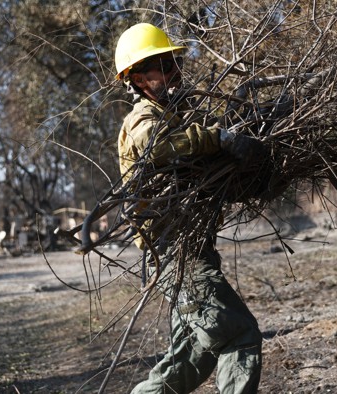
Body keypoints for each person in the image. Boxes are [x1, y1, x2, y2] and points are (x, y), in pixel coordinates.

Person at [114, 23, 265, 393]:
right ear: (135, 78)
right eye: (162, 66)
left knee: (191, 357)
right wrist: (219, 137)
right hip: (172, 254)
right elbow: (159, 147)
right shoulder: (142, 121)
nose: (174, 73)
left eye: (173, 63)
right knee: (238, 334)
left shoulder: (174, 116)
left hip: (191, 249)